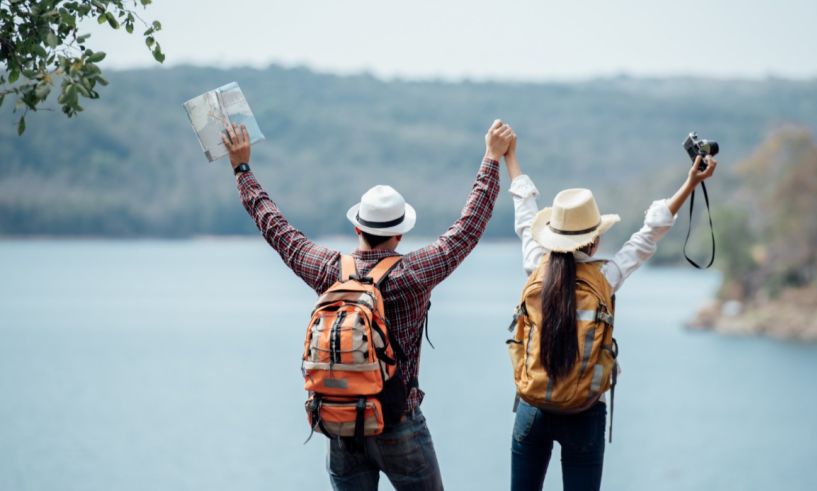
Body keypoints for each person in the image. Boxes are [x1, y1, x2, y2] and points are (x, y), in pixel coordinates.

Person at [221, 119, 515, 490]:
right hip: (398, 424)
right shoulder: (412, 274)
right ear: (399, 232)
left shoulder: (329, 271)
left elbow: (277, 229)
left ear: (357, 228)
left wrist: (242, 168)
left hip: (342, 424)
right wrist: (491, 157)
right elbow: (468, 227)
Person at [504, 136, 717, 491]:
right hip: (583, 412)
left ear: (553, 236)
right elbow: (649, 235)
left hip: (533, 406)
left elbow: (525, 215)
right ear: (595, 240)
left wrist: (509, 157)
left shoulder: (535, 266)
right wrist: (691, 183)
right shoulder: (605, 278)